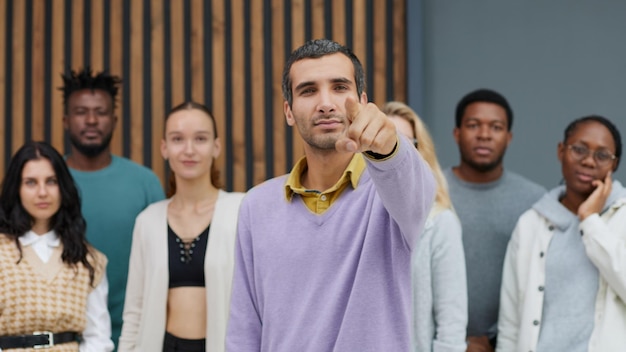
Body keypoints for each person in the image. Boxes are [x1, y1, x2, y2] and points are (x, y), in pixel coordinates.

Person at [226, 39, 436, 352]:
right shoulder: (257, 206)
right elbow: (243, 330)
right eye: (308, 90)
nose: (325, 103)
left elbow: (417, 186)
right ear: (288, 111)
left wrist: (390, 148)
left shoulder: (392, 196)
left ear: (363, 101)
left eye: (339, 87)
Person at [118, 102, 245, 352]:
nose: (189, 150)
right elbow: (134, 310)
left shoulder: (241, 210)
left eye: (200, 139)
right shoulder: (148, 220)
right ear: (164, 148)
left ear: (216, 147)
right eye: (178, 139)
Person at [497, 115, 626, 352]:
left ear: (614, 165)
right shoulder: (530, 224)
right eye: (579, 150)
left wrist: (590, 221)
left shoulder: (623, 217)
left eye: (602, 155)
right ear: (560, 151)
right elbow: (510, 321)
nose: (588, 161)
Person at [61, 67, 165, 349]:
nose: (92, 120)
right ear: (66, 120)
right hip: (61, 339)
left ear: (114, 120)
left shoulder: (144, 183)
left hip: (135, 337)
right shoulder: (46, 184)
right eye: (81, 112)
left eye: (101, 112)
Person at [443, 88, 545, 351]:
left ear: (509, 137)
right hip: (439, 340)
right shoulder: (432, 191)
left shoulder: (535, 200)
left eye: (496, 127)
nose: (484, 135)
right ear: (456, 133)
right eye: (473, 125)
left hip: (511, 342)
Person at [0, 141, 113, 351]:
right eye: (31, 182)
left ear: (63, 187)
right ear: (16, 188)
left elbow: (98, 338)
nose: (42, 192)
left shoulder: (89, 260)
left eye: (51, 181)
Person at [383, 101, 468, 352]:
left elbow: (451, 325)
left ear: (421, 152)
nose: (394, 151)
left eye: (406, 142)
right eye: (386, 140)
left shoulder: (440, 222)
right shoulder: (351, 216)